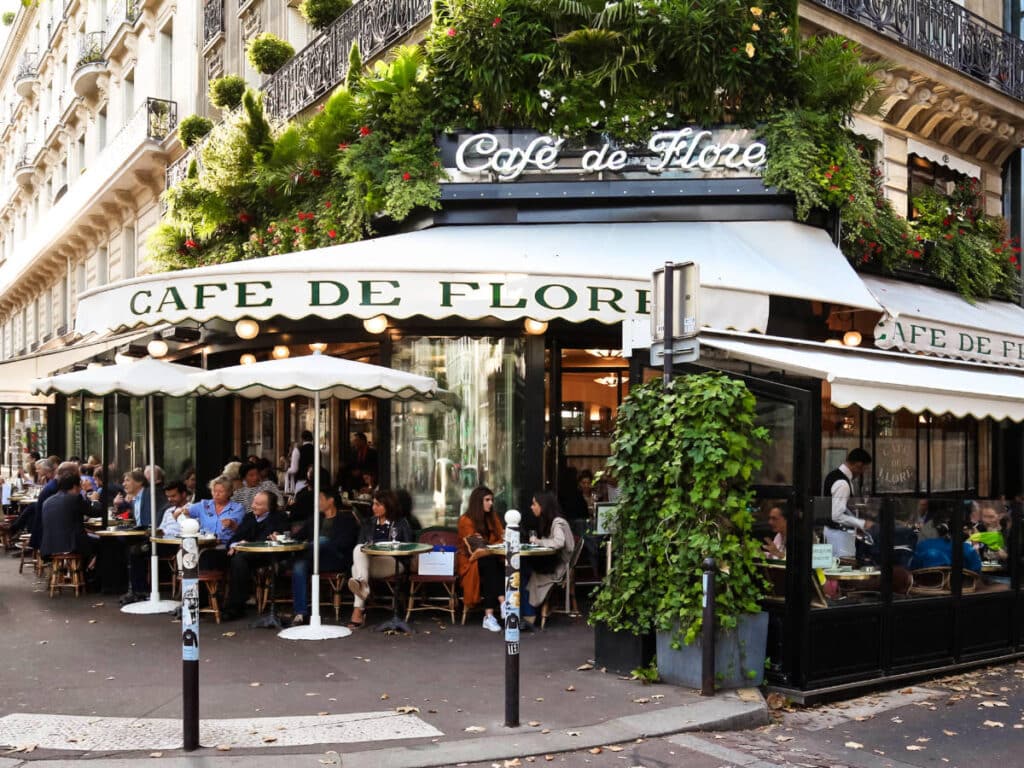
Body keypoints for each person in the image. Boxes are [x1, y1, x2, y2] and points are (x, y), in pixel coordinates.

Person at [287, 489, 361, 626]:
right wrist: (282, 537)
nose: (317, 502)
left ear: (330, 500)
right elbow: (295, 538)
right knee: (299, 566)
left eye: (320, 499)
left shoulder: (346, 519)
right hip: (313, 559)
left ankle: (305, 552)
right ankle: (300, 613)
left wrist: (322, 543)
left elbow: (346, 542)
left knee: (322, 540)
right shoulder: (314, 519)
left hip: (335, 558)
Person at [346, 489, 412, 629]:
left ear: (388, 505)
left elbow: (409, 549)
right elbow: (360, 546)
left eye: (378, 504)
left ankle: (358, 609)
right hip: (371, 562)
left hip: (394, 562)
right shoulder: (368, 523)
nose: (373, 507)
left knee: (355, 569)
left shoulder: (401, 523)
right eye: (373, 504)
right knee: (358, 550)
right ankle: (363, 587)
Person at [221, 491, 289, 621]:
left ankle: (236, 607)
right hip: (243, 554)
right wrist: (234, 545)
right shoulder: (249, 517)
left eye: (258, 504)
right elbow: (235, 537)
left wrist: (246, 545)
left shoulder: (278, 517)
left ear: (269, 507)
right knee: (209, 556)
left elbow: (267, 539)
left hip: (266, 556)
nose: (253, 506)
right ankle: (200, 601)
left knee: (239, 560)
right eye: (253, 502)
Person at [521, 490, 576, 624]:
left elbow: (558, 542)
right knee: (524, 568)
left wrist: (538, 541)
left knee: (523, 571)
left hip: (559, 569)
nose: (531, 507)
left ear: (543, 505)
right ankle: (528, 612)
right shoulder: (551, 521)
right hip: (555, 564)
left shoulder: (557, 522)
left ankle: (529, 614)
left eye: (534, 504)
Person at [457, 486, 505, 632]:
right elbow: (476, 548)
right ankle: (503, 602)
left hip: (490, 558)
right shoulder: (465, 520)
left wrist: (490, 546)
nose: (491, 503)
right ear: (478, 502)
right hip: (470, 561)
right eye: (487, 500)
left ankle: (489, 616)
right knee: (491, 563)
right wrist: (492, 545)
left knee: (497, 563)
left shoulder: (493, 517)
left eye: (492, 500)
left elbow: (502, 538)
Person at [180, 476, 246, 571]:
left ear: (229, 492)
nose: (216, 494)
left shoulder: (237, 508)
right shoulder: (204, 505)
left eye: (220, 491)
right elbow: (186, 511)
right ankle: (189, 583)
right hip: (203, 543)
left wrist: (231, 524)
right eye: (214, 491)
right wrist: (183, 511)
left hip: (224, 545)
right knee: (184, 551)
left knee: (206, 555)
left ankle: (205, 584)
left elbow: (240, 530)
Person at [823, 448, 874, 558]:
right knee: (844, 568)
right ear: (859, 465)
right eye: (864, 469)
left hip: (833, 533)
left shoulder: (833, 475)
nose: (862, 473)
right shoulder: (843, 483)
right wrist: (862, 523)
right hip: (840, 537)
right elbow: (837, 515)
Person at [39, 473, 95, 567]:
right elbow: (94, 512)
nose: (81, 489)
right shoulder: (75, 498)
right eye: (80, 486)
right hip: (71, 545)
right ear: (74, 486)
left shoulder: (47, 502)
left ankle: (82, 571)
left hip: (49, 547)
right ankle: (89, 574)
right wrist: (95, 500)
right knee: (104, 544)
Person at [911, 522, 983, 574]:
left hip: (925, 589)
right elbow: (977, 572)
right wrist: (975, 543)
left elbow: (913, 569)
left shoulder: (922, 545)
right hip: (959, 591)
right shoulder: (966, 548)